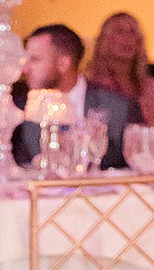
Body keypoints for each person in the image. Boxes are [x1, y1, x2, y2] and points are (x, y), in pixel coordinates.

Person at [11, 23, 138, 169]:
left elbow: (131, 166)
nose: (25, 69)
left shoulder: (117, 106)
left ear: (63, 63)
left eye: (34, 59)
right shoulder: (18, 110)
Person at [85, 11, 154, 129]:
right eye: (120, 31)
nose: (127, 38)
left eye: (132, 32)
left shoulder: (148, 85)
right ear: (106, 39)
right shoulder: (90, 82)